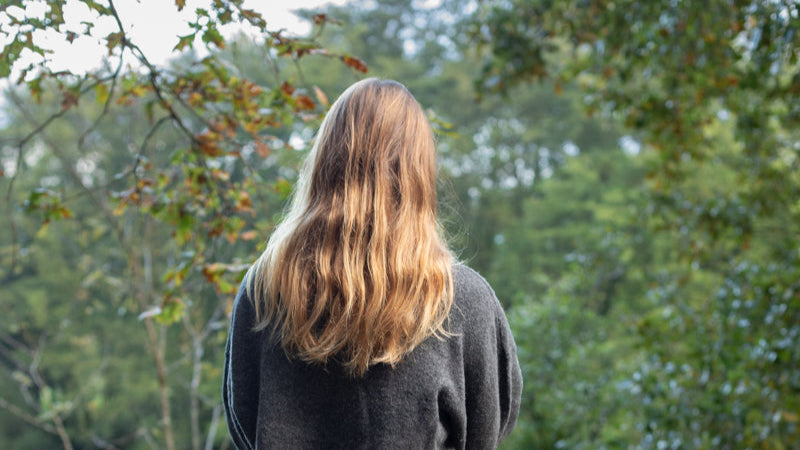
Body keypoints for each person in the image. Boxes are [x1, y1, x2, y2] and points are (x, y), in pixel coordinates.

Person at [223, 78, 522, 449]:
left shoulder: (264, 292)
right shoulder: (464, 299)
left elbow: (243, 420)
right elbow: (489, 426)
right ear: (417, 174)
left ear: (324, 164)